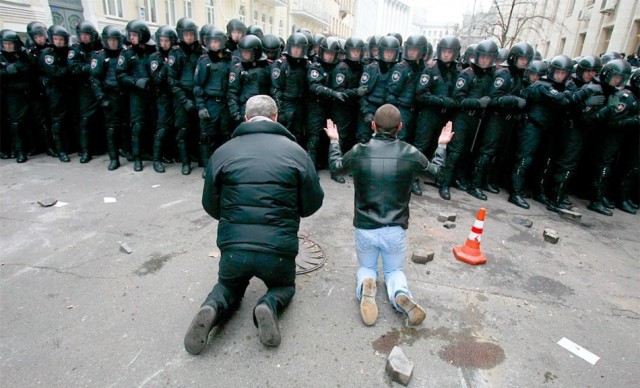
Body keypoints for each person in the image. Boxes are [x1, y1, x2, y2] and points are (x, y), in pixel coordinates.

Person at [184, 95, 324, 355]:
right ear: (276, 118)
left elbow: (210, 204)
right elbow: (313, 204)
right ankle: (269, 304)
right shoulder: (297, 152)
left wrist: (233, 221)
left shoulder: (223, 152)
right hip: (278, 251)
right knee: (284, 286)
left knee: (229, 287)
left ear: (246, 119)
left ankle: (213, 307)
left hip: (233, 248)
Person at [324, 104, 453, 326]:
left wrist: (334, 141)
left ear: (373, 125)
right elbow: (435, 174)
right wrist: (441, 146)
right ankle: (401, 295)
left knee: (367, 267)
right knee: (394, 270)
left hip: (366, 226)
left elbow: (336, 168)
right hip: (395, 229)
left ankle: (367, 284)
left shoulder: (359, 151)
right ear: (400, 127)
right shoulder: (410, 153)